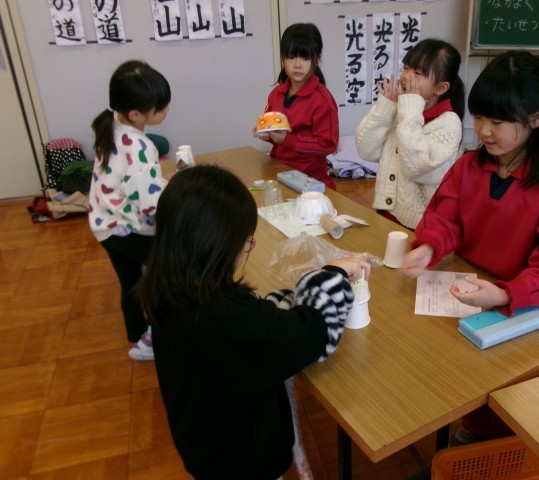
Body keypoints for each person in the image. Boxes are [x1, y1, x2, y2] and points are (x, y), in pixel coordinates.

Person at [136, 165, 370, 479]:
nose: (249, 247)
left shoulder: (169, 288)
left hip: (203, 444)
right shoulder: (224, 318)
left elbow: (258, 323)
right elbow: (313, 334)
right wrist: (333, 273)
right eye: (245, 242)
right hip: (243, 462)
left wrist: (282, 303)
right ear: (215, 246)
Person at [402, 51, 539, 443]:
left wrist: (504, 293)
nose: (483, 130)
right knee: (464, 378)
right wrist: (428, 247)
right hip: (469, 292)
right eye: (479, 117)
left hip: (520, 306)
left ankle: (497, 446)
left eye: (497, 122)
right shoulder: (468, 167)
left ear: (537, 119)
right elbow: (446, 216)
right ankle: (471, 432)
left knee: (508, 397)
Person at [89, 60, 171, 361]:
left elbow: (128, 180)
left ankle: (137, 337)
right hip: (130, 229)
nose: (166, 110)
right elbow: (150, 203)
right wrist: (174, 196)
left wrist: (159, 181)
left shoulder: (111, 122)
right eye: (160, 107)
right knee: (165, 279)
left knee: (131, 284)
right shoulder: (140, 146)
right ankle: (157, 338)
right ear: (136, 114)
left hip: (104, 223)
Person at [355, 38, 465, 230]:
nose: (405, 76)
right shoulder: (403, 111)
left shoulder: (448, 123)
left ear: (441, 88)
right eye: (406, 68)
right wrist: (385, 108)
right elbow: (366, 151)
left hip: (419, 225)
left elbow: (414, 167)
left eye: (418, 73)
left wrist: (410, 110)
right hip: (385, 213)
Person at [255, 23, 339, 190]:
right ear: (283, 58)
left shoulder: (322, 100)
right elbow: (278, 133)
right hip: (278, 171)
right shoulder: (276, 94)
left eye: (305, 58)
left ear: (317, 59)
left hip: (310, 180)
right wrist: (267, 134)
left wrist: (287, 140)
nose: (298, 65)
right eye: (291, 57)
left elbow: (328, 145)